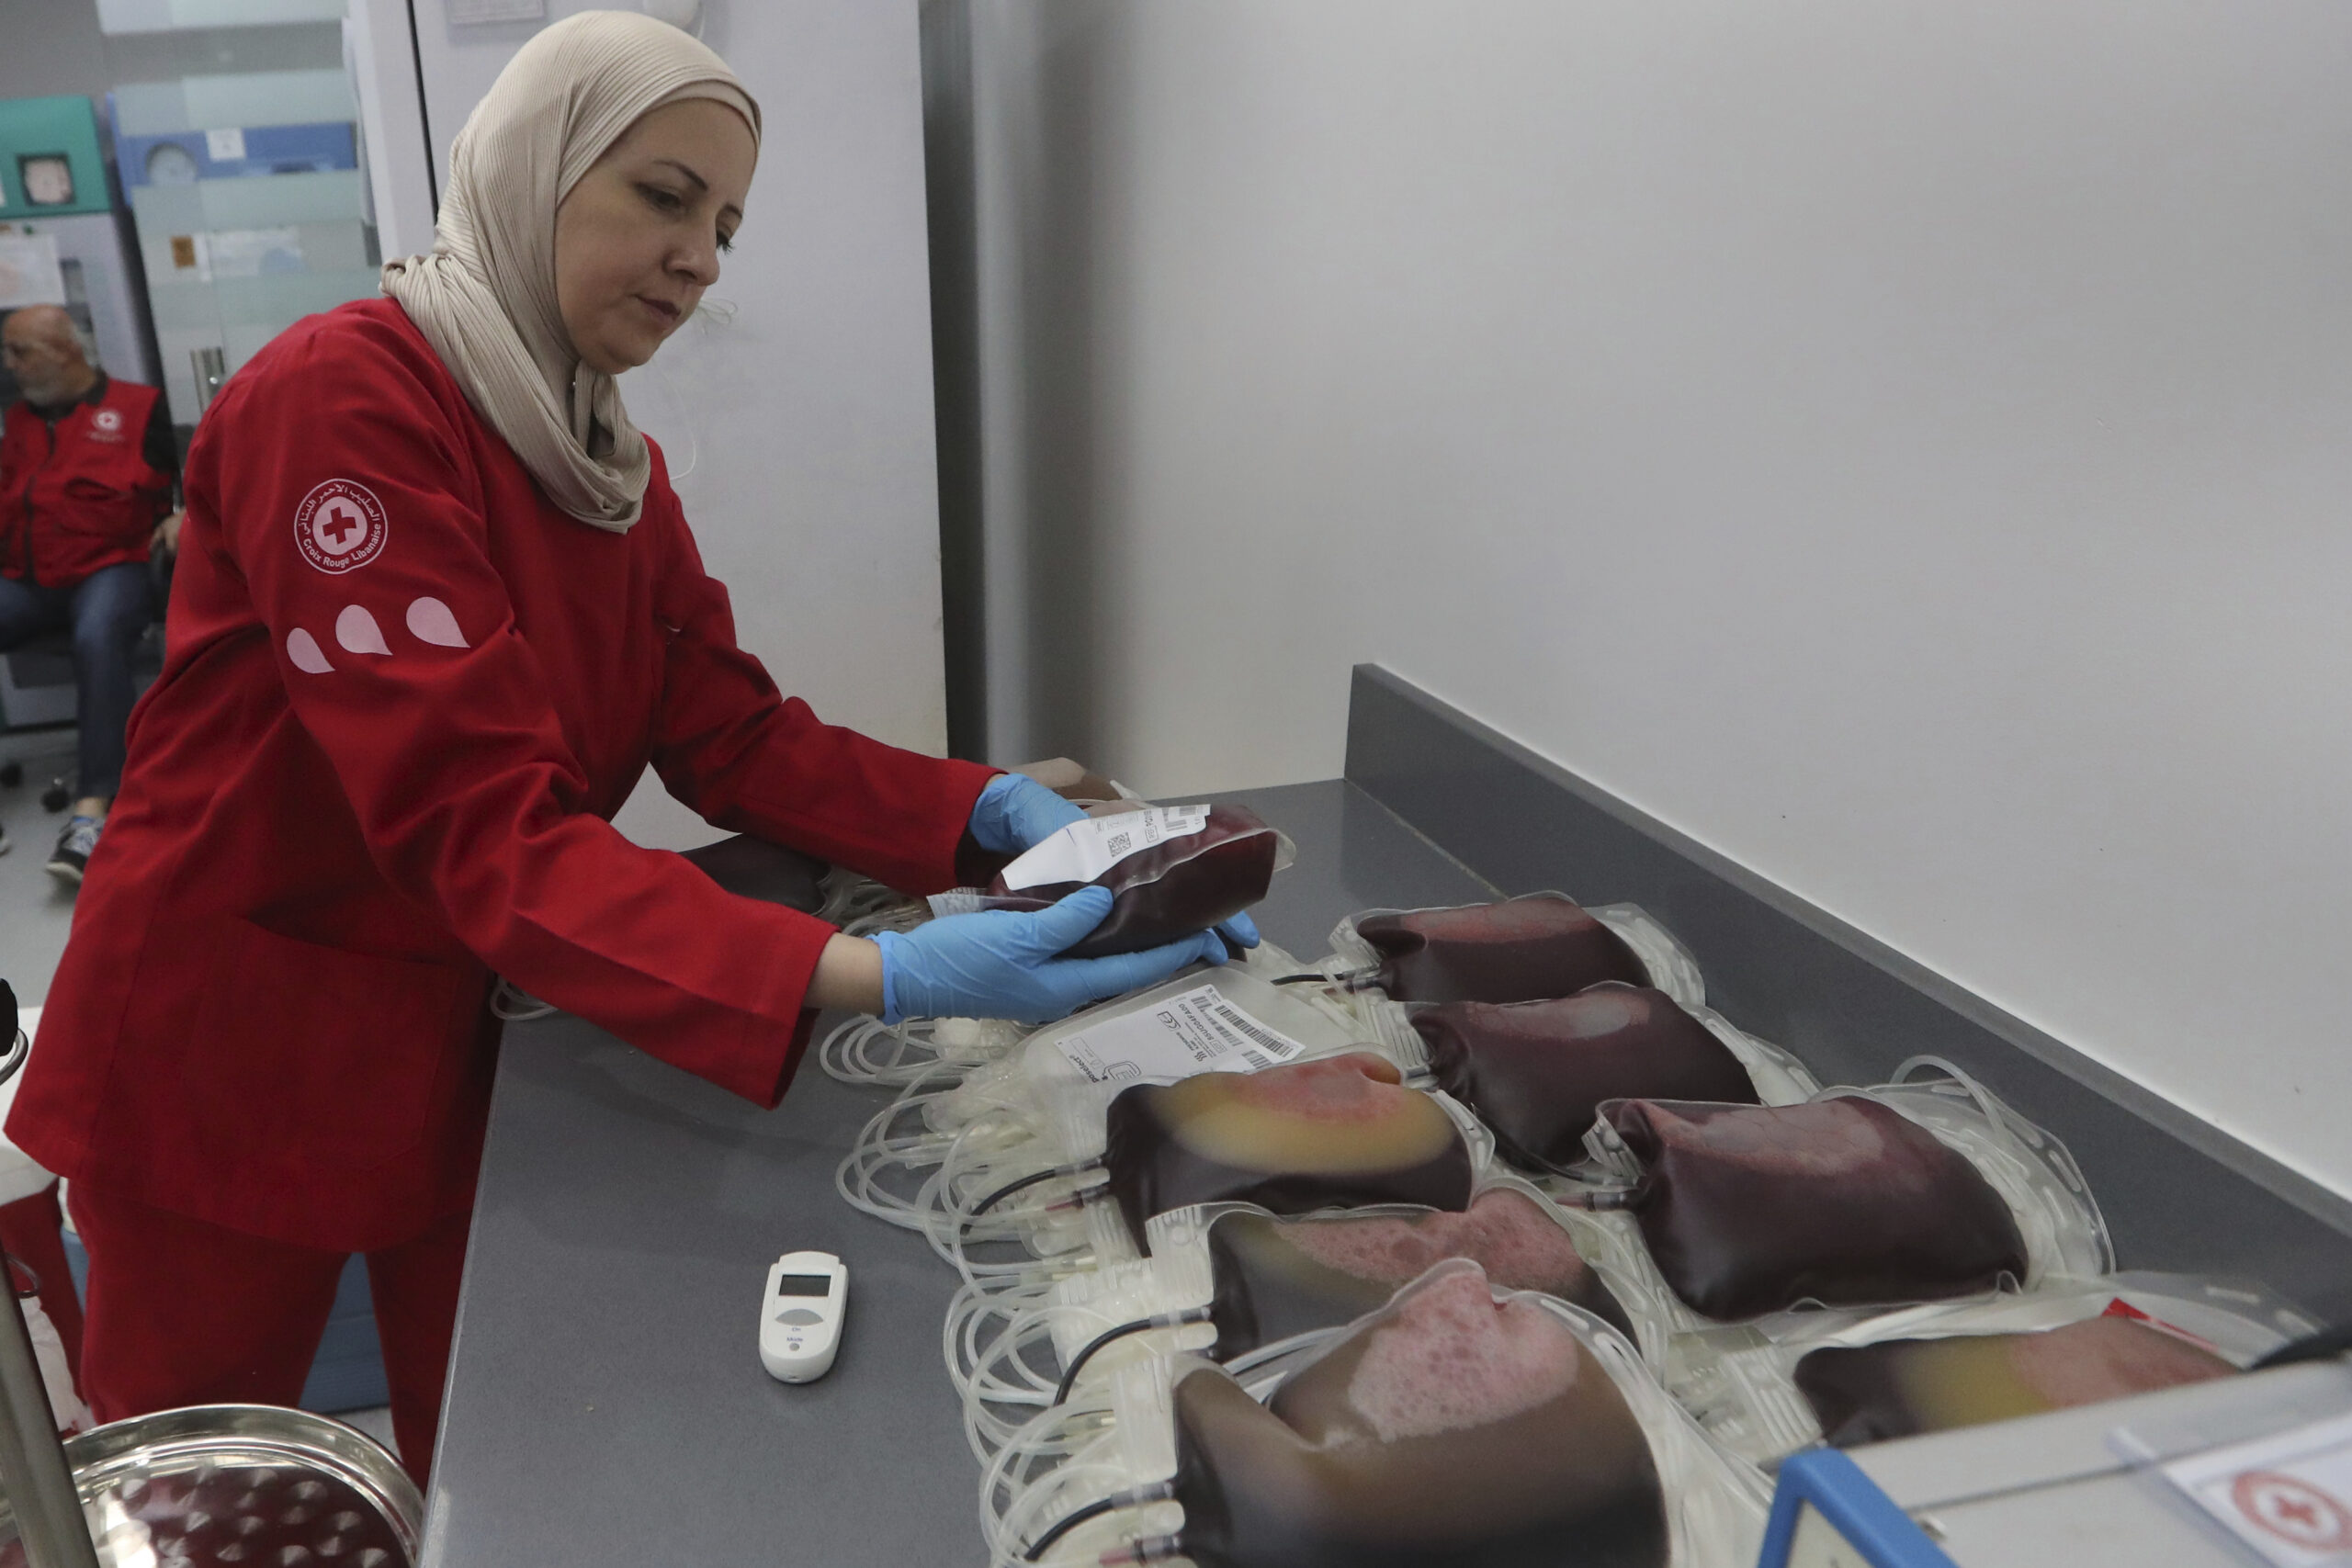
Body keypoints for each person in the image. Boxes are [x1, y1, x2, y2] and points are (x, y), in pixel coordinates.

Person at [4, 13, 1250, 1482]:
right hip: (233, 1034)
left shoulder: (599, 454)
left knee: (491, 1442)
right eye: (664, 197)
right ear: (533, 170)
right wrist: (881, 971)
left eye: (725, 226)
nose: (703, 259)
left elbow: (726, 727)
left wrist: (983, 804)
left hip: (452, 1015)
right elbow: (479, 821)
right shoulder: (345, 401)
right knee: (208, 1481)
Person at [0, 304, 179, 879]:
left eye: (19, 351)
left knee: (98, 635)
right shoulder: (19, 422)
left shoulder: (140, 408)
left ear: (63, 351)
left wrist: (185, 512)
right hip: (30, 575)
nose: (10, 365)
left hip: (114, 565)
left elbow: (204, 474)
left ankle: (94, 807)